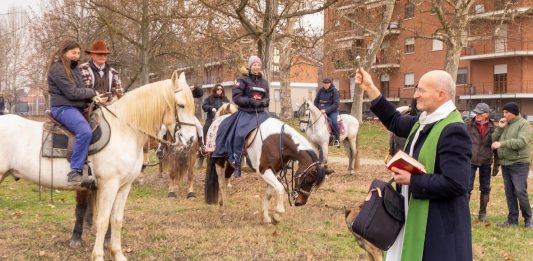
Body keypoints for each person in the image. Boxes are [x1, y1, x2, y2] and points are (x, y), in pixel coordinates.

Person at [355, 68, 472, 261]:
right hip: (414, 214)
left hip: (438, 226)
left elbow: (457, 183)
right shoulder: (424, 121)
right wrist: (370, 87)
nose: (415, 94)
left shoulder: (453, 130)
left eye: (421, 90)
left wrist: (413, 180)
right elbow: (394, 121)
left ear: (440, 94)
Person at [48, 40, 107, 183]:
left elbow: (80, 93)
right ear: (64, 53)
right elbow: (72, 93)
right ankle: (75, 171)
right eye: (73, 53)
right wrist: (93, 92)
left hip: (75, 107)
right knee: (84, 131)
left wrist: (94, 100)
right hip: (63, 108)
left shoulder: (74, 69)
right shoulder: (57, 69)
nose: (77, 55)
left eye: (78, 53)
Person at [211, 55, 270, 178]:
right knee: (239, 133)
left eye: (258, 65)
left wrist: (265, 102)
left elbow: (267, 97)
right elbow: (237, 97)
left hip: (261, 113)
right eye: (254, 65)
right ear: (250, 66)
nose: (257, 67)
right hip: (246, 113)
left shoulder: (264, 82)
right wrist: (250, 101)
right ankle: (236, 161)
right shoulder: (242, 80)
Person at [491, 102, 532, 228]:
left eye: (506, 112)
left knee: (520, 191)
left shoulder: (523, 124)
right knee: (509, 193)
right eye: (503, 112)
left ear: (514, 113)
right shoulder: (505, 124)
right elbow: (494, 139)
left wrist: (502, 144)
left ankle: (528, 219)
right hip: (506, 163)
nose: (504, 115)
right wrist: (499, 127)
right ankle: (512, 220)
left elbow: (521, 142)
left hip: (519, 163)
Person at [466, 102, 499, 222]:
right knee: (467, 188)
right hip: (470, 160)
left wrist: (496, 165)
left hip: (486, 161)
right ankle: (464, 213)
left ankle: (483, 214)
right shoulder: (468, 125)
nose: (477, 115)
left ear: (486, 114)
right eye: (476, 113)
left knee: (485, 188)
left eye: (479, 113)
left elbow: (496, 148)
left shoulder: (494, 128)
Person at [197, 83, 229, 168]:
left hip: (222, 121)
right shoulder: (209, 98)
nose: (219, 91)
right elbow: (204, 106)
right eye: (218, 89)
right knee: (204, 134)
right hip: (211, 119)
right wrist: (211, 108)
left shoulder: (225, 99)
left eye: (221, 89)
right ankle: (201, 156)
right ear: (215, 90)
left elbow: (229, 107)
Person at [314, 78, 340, 148]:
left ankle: (337, 139)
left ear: (330, 83)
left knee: (334, 122)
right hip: (320, 111)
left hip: (332, 111)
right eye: (324, 83)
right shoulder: (320, 91)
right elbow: (316, 102)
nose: (325, 85)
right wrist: (319, 110)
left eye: (327, 83)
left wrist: (325, 110)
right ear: (323, 84)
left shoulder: (334, 91)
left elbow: (336, 104)